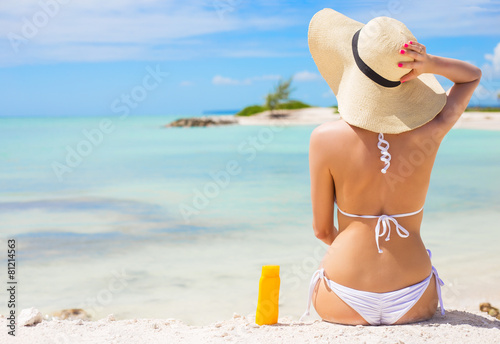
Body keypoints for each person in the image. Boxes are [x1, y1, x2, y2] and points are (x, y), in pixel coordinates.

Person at [300, 9, 482, 325]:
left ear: (350, 71)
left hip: (345, 295)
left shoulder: (324, 138)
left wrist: (355, 251)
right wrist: (430, 65)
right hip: (414, 296)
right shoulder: (432, 131)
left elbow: (322, 230)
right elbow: (472, 75)